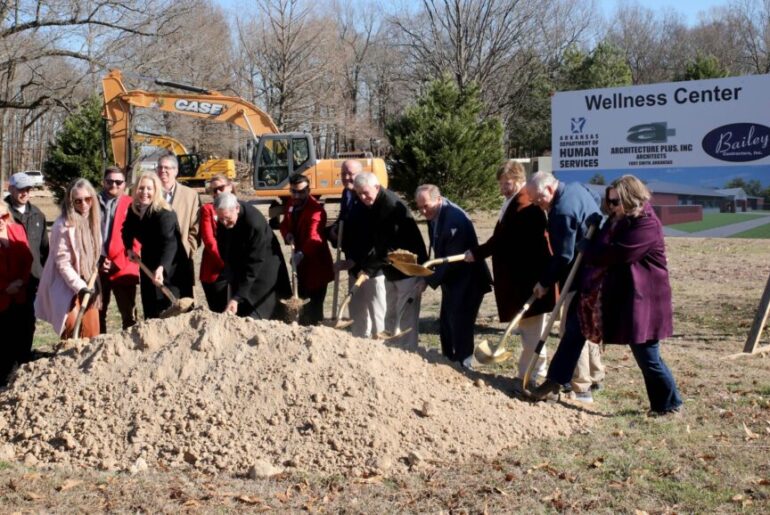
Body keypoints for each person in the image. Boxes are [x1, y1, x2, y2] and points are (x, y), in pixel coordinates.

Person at [579, 175, 682, 415]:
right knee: (645, 355)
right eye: (609, 202)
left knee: (648, 355)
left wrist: (589, 249)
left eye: (615, 202)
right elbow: (606, 244)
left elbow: (618, 255)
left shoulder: (646, 224)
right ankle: (662, 405)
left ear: (630, 198)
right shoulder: (622, 220)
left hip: (647, 298)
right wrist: (596, 231)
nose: (612, 207)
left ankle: (670, 405)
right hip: (633, 296)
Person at [465, 161, 555, 392]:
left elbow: (503, 241)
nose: (503, 188)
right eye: (501, 184)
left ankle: (534, 376)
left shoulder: (525, 205)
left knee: (532, 334)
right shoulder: (512, 202)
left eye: (508, 183)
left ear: (519, 180)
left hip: (530, 282)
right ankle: (526, 375)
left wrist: (478, 253)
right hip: (519, 282)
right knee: (527, 333)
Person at [525, 171, 605, 403]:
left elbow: (563, 256)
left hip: (579, 277)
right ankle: (595, 376)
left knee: (572, 330)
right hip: (596, 271)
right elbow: (596, 202)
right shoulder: (577, 187)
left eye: (538, 199)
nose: (538, 205)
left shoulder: (561, 212)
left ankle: (577, 388)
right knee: (586, 326)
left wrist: (545, 282)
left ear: (550, 189)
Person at [415, 184, 491, 368]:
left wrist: (427, 279)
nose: (423, 211)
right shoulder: (435, 214)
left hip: (468, 281)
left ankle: (463, 367)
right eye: (420, 208)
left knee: (460, 326)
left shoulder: (454, 221)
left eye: (426, 206)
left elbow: (451, 261)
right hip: (453, 280)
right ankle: (449, 362)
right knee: (447, 325)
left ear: (438, 199)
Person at [354, 173, 427, 345]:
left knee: (406, 318)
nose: (362, 198)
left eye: (365, 192)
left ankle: (408, 355)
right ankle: (391, 355)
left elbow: (390, 248)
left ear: (377, 187)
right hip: (391, 269)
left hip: (408, 269)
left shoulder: (390, 207)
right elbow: (377, 242)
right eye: (358, 194)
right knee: (391, 314)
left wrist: (369, 269)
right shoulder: (374, 204)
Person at [35, 178, 102, 339]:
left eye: (87, 199)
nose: (84, 204)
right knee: (72, 328)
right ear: (70, 202)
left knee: (92, 330)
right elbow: (62, 263)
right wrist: (79, 286)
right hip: (66, 284)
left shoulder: (94, 220)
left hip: (89, 281)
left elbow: (96, 250)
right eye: (78, 201)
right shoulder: (62, 225)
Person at [122, 171, 192, 319]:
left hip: (172, 266)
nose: (144, 192)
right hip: (148, 261)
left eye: (149, 188)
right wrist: (129, 248)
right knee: (151, 306)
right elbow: (126, 230)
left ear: (156, 191)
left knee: (170, 310)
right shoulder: (134, 210)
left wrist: (162, 268)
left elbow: (170, 244)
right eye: (141, 188)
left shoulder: (164, 213)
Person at [330, 160, 386, 338]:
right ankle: (360, 347)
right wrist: (335, 228)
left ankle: (381, 347)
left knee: (376, 311)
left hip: (372, 267)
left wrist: (356, 260)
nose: (347, 178)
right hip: (353, 263)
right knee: (358, 312)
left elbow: (372, 237)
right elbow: (345, 219)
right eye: (344, 173)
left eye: (351, 174)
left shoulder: (370, 199)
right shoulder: (347, 194)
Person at [214, 192, 290, 319]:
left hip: (264, 266)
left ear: (237, 208)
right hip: (241, 262)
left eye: (227, 218)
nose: (224, 223)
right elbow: (223, 247)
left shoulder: (254, 223)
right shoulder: (224, 217)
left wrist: (237, 297)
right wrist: (228, 269)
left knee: (261, 310)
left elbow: (254, 263)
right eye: (220, 219)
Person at [4, 172, 49, 361]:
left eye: (28, 189)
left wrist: (45, 276)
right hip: (8, 281)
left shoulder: (37, 214)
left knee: (28, 321)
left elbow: (44, 249)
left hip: (32, 279)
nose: (25, 192)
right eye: (21, 188)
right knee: (7, 323)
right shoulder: (3, 213)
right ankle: (7, 361)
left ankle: (24, 357)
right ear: (11, 188)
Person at [279, 174, 334, 324]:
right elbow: (284, 224)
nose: (296, 195)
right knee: (301, 303)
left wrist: (301, 254)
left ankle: (316, 333)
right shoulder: (291, 203)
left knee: (314, 307)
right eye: (293, 191)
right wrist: (288, 234)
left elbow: (314, 237)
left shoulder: (316, 211)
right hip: (301, 266)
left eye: (301, 192)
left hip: (316, 266)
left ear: (308, 190)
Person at [97, 166, 139, 332]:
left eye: (118, 182)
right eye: (109, 181)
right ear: (103, 182)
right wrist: (99, 260)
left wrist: (118, 262)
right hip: (98, 268)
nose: (114, 185)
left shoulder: (132, 204)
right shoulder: (91, 202)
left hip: (124, 267)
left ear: (124, 184)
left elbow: (136, 240)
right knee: (98, 312)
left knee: (128, 315)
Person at [157, 154, 199, 297]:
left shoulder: (190, 195)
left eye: (167, 168)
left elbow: (196, 227)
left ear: (176, 171)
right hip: (157, 260)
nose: (163, 171)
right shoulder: (150, 194)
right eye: (160, 167)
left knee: (183, 303)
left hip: (182, 260)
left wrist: (188, 248)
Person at [0, 202, 33, 385]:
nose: (1, 221)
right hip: (2, 297)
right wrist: (5, 287)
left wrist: (21, 281)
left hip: (20, 294)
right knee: (3, 342)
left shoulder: (17, 230)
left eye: (4, 216)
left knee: (23, 335)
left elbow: (27, 258)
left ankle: (21, 377)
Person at [199, 174, 232, 312]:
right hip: (216, 269)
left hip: (237, 269)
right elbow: (209, 241)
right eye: (214, 190)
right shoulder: (208, 209)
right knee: (219, 311)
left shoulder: (238, 207)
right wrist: (226, 263)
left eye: (221, 188)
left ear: (230, 187)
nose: (217, 192)